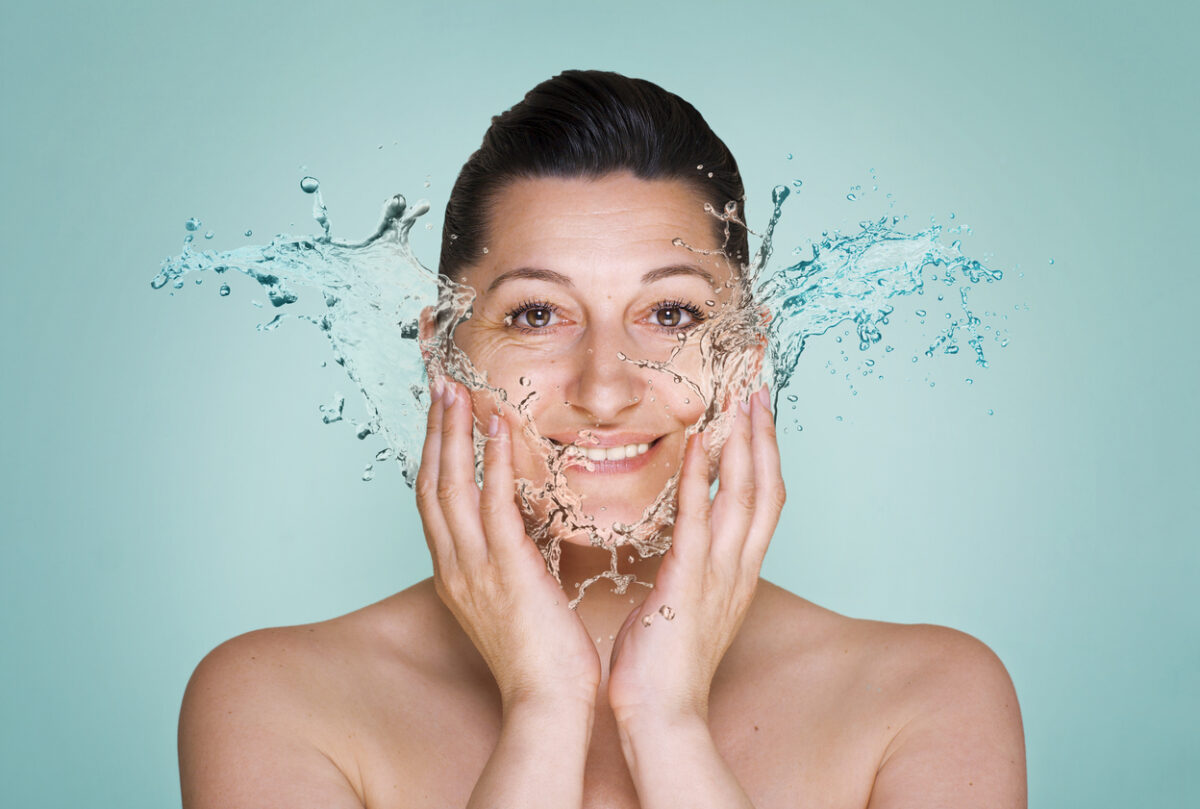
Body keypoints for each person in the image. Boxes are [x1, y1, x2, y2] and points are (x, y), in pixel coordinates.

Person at [178, 70, 1027, 808]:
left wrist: (667, 721)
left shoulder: (929, 701)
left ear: (749, 355)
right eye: (537, 314)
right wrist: (545, 706)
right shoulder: (275, 702)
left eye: (671, 313)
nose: (606, 387)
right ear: (442, 350)